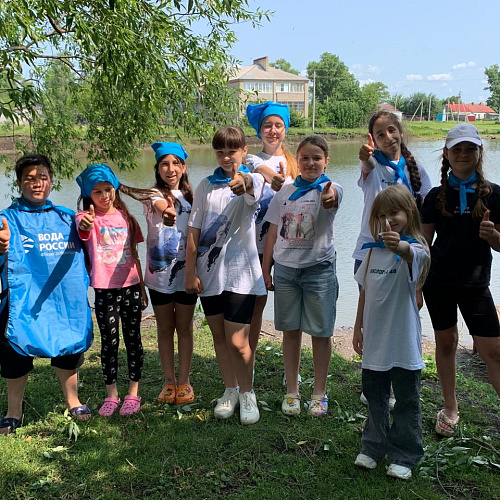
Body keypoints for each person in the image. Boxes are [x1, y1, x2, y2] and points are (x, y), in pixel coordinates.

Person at [0, 154, 93, 434]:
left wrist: (87, 229)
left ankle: (73, 400)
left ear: (51, 181)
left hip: (62, 301)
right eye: (29, 178)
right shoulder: (6, 219)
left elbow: (93, 248)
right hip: (21, 301)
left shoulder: (67, 218)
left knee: (68, 347)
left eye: (42, 177)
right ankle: (13, 410)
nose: (37, 183)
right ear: (19, 183)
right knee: (15, 353)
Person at [421, 123, 500, 437]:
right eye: (457, 149)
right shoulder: (435, 196)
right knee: (446, 343)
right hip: (438, 283)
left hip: (476, 284)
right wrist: (416, 286)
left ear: (479, 152)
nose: (463, 154)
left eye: (469, 149)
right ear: (446, 154)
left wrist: (494, 237)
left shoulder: (495, 194)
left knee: (493, 350)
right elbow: (423, 247)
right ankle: (450, 408)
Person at [185, 126, 266, 425]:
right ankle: (230, 389)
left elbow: (252, 187)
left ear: (244, 151)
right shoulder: (205, 186)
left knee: (238, 342)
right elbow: (193, 229)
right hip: (209, 275)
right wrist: (190, 271)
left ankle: (248, 392)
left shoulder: (251, 180)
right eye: (220, 152)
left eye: (232, 151)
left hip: (241, 275)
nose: (226, 157)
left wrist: (243, 182)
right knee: (219, 337)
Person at [354, 110, 432, 408]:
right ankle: (376, 381)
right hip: (371, 250)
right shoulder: (372, 164)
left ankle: (401, 376)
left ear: (400, 131)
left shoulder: (416, 169)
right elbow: (365, 165)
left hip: (407, 251)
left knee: (404, 313)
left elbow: (424, 213)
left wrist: (420, 256)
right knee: (373, 313)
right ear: (373, 140)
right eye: (380, 134)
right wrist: (365, 156)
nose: (388, 137)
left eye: (391, 130)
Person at [352, 184, 430, 480]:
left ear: (409, 213)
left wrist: (399, 247)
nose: (388, 220)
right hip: (375, 341)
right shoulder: (372, 252)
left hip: (403, 343)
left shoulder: (417, 250)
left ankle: (405, 454)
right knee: (375, 397)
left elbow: (410, 254)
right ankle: (373, 447)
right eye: (381, 215)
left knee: (407, 400)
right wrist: (357, 326)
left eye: (394, 213)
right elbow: (364, 291)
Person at [262, 135, 342, 417]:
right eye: (305, 158)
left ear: (326, 161)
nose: (310, 163)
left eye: (316, 158)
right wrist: (266, 269)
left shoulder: (331, 188)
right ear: (297, 160)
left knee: (321, 332)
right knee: (290, 331)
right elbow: (273, 232)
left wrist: (328, 197)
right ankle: (292, 391)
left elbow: (332, 200)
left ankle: (319, 393)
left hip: (319, 270)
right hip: (285, 272)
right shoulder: (284, 192)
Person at [124, 142, 197, 405]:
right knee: (165, 329)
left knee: (185, 328)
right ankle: (168, 381)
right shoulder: (152, 194)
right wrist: (167, 211)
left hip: (187, 274)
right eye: (164, 164)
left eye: (175, 163)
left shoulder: (193, 198)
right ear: (157, 168)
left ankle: (184, 381)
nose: (170, 169)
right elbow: (159, 205)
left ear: (183, 167)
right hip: (159, 279)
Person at [76, 163, 146, 417]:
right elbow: (83, 228)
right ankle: (112, 394)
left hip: (131, 286)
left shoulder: (126, 217)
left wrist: (143, 288)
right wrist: (86, 223)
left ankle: (133, 393)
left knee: (133, 339)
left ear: (115, 188)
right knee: (109, 342)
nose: (104, 196)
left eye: (108, 189)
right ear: (88, 195)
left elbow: (134, 254)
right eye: (97, 192)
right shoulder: (85, 218)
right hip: (105, 289)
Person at [245, 101, 299, 364]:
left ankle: (291, 370)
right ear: (259, 130)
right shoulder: (250, 159)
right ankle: (249, 362)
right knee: (257, 305)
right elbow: (262, 171)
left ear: (285, 129)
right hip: (256, 245)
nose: (273, 130)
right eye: (268, 125)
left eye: (278, 125)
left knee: (291, 309)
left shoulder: (296, 163)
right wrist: (275, 179)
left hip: (289, 246)